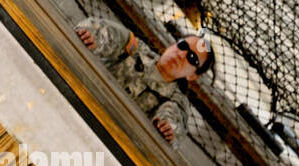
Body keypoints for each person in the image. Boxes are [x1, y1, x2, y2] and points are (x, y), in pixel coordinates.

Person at [73, 15, 214, 143]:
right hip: (79, 100)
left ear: (193, 75)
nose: (181, 55)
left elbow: (174, 122)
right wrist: (93, 37)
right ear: (174, 44)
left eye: (192, 58)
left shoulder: (175, 100)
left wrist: (167, 129)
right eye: (183, 46)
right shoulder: (135, 49)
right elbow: (110, 33)